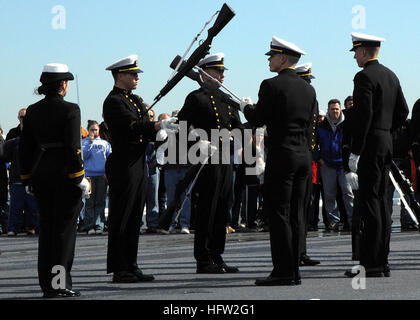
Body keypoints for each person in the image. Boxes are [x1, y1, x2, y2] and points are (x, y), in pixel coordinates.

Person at [241, 36, 317, 286]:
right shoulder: (309, 88)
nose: (269, 61)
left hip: (282, 155)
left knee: (279, 213)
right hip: (304, 155)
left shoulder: (270, 85)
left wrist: (247, 108)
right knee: (296, 212)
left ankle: (283, 271)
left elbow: (259, 118)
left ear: (283, 58)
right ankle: (294, 269)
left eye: (272, 57)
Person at [103, 54, 178, 283]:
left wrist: (159, 131)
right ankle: (119, 268)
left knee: (135, 216)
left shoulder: (135, 99)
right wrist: (156, 125)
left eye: (137, 74)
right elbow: (132, 126)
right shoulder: (114, 101)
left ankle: (131, 264)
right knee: (122, 216)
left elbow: (144, 125)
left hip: (138, 162)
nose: (137, 77)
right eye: (132, 74)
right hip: (123, 162)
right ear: (120, 76)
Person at [19, 63, 90, 298]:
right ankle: (60, 283)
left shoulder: (32, 110)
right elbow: (73, 147)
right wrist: (80, 177)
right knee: (64, 233)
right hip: (65, 176)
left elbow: (25, 148)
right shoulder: (70, 109)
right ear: (63, 85)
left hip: (40, 176)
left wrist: (27, 177)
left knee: (47, 231)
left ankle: (47, 285)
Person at [345, 32, 409, 278]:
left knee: (370, 203)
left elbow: (364, 116)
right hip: (386, 143)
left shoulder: (363, 77)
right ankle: (381, 261)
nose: (355, 58)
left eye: (355, 53)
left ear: (363, 52)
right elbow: (402, 111)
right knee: (382, 203)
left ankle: (370, 263)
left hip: (370, 144)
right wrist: (387, 131)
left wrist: (356, 151)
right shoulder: (391, 75)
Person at [177, 52, 242, 274]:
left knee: (223, 207)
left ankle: (217, 255)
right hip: (205, 160)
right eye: (218, 71)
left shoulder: (227, 99)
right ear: (205, 74)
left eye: (223, 71)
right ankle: (203, 259)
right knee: (207, 208)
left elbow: (239, 127)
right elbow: (182, 128)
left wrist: (236, 139)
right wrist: (198, 142)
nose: (222, 75)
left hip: (225, 159)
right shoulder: (195, 98)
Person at [294, 62, 320, 266]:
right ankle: (296, 252)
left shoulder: (312, 98)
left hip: (306, 155)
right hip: (299, 154)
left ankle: (301, 251)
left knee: (304, 205)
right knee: (296, 207)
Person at [315, 99, 354, 231]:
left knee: (348, 193)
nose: (335, 111)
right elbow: (314, 145)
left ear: (340, 109)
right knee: (329, 195)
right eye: (332, 109)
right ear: (328, 110)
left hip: (344, 164)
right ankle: (333, 221)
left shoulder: (347, 124)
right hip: (328, 164)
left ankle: (352, 220)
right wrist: (319, 158)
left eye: (337, 109)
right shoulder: (321, 126)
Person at [82, 120, 112, 235]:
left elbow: (109, 159)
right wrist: (90, 142)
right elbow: (84, 156)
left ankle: (99, 225)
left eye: (96, 130)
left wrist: (107, 173)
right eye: (92, 130)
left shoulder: (105, 143)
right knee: (89, 202)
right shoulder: (84, 143)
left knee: (100, 201)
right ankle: (89, 225)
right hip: (89, 176)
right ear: (88, 130)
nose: (94, 132)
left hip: (101, 176)